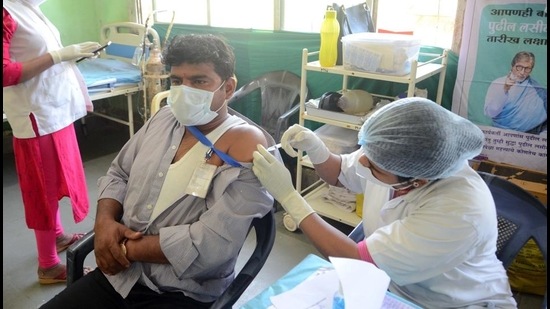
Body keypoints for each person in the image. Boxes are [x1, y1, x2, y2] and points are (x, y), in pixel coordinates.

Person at [40, 33, 276, 309]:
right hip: (120, 276)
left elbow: (213, 246)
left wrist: (122, 249)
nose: (184, 90)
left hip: (180, 290)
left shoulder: (245, 145)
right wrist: (104, 224)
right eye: (177, 81)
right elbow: (118, 173)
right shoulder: (164, 119)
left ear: (228, 87)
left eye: (199, 81)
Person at [252, 97, 518, 308]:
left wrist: (289, 198)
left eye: (375, 165)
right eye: (366, 150)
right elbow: (341, 174)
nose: (363, 162)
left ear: (418, 182)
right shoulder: (395, 155)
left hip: (452, 302)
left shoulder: (459, 211)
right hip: (396, 286)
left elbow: (358, 260)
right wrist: (316, 147)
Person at [3, 0, 102, 284]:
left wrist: (72, 56)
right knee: (43, 189)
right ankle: (48, 266)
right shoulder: (6, 11)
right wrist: (58, 56)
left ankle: (56, 236)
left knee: (56, 179)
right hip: (36, 116)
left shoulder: (31, 7)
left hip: (55, 108)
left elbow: (36, 52)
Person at [484, 51, 547, 134]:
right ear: (512, 65)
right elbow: (491, 112)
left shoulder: (537, 88)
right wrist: (504, 90)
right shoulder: (498, 83)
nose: (522, 72)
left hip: (528, 138)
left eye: (527, 69)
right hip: (500, 135)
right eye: (519, 67)